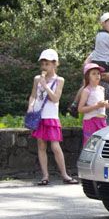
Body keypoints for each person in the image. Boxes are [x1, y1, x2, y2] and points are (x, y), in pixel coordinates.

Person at [28, 49, 78, 186]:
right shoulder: (37, 79)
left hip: (51, 117)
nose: (44, 67)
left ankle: (65, 175)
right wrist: (30, 106)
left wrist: (45, 86)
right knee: (41, 145)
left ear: (55, 64)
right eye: (42, 64)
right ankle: (45, 176)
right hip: (39, 116)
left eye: (47, 64)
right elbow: (33, 95)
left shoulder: (59, 80)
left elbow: (55, 99)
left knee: (55, 146)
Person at [76, 63, 109, 144]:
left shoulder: (101, 89)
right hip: (91, 121)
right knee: (90, 144)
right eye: (94, 73)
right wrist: (97, 106)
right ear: (88, 76)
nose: (97, 75)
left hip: (102, 120)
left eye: (98, 73)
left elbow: (102, 106)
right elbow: (80, 109)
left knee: (101, 144)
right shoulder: (86, 90)